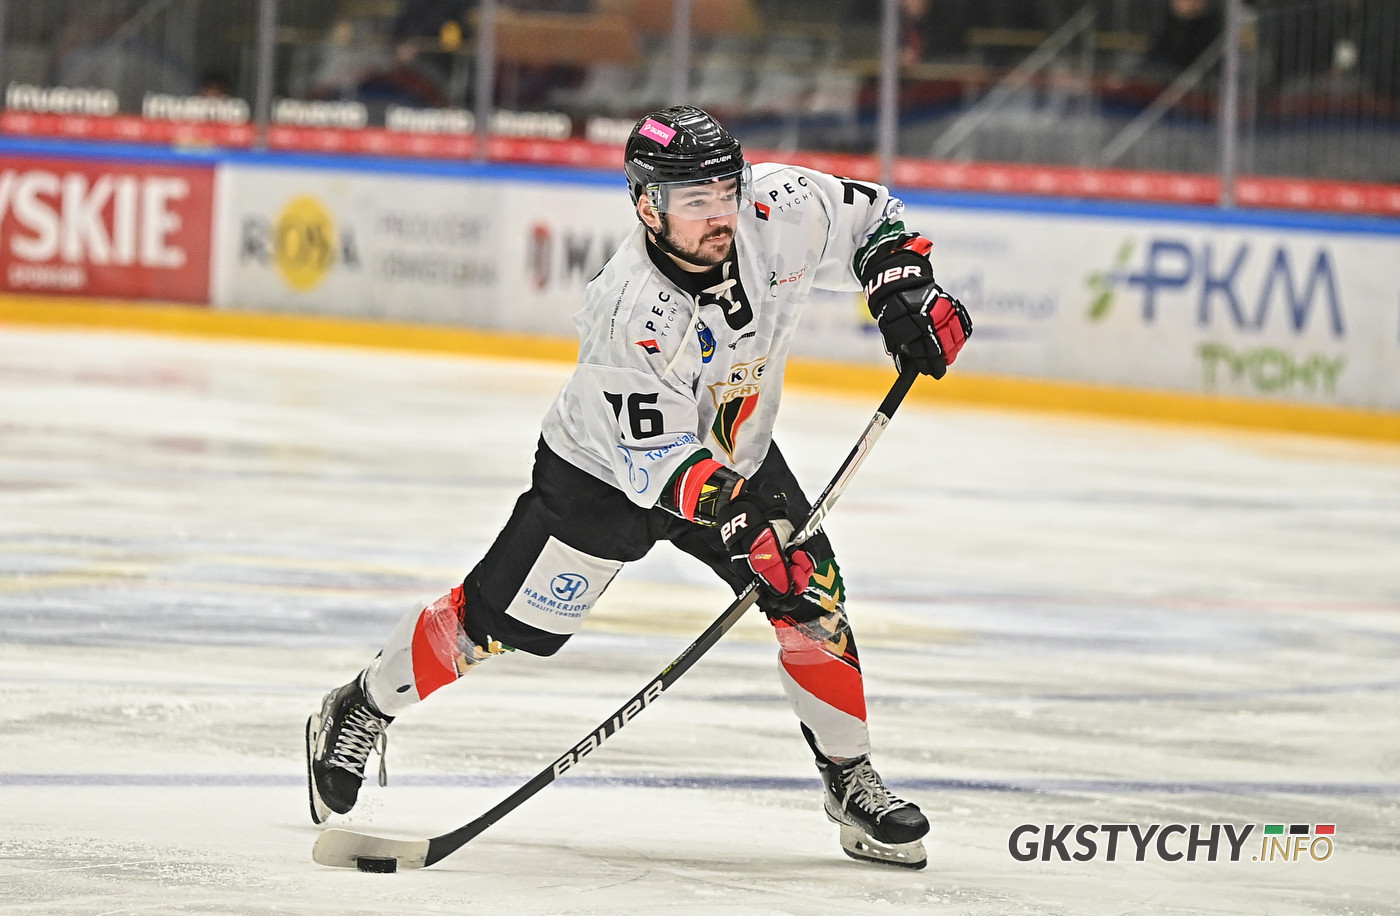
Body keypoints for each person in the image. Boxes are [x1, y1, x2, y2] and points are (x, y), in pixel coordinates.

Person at [305, 105, 972, 869]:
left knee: (809, 596)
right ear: (648, 206)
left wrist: (902, 288)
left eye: (727, 190)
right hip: (603, 477)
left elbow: (873, 217)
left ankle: (849, 779)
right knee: (491, 627)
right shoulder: (630, 310)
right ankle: (361, 705)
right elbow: (655, 461)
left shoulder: (780, 206)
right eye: (695, 201)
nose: (720, 215)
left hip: (735, 454)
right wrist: (737, 518)